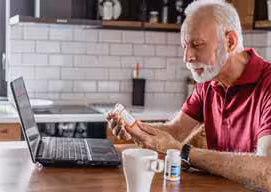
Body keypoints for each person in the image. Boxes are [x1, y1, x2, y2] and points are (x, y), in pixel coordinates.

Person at [107, 0, 271, 190]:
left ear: (230, 41)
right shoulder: (208, 82)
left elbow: (267, 172)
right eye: (185, 46)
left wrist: (183, 151)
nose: (187, 57)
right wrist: (136, 129)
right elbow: (176, 131)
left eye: (197, 44)